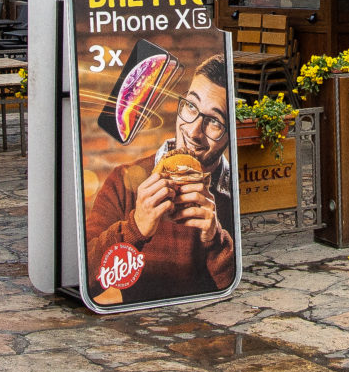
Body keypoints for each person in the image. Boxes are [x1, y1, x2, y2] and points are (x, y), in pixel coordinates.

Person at [85, 54, 239, 303]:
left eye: (214, 122)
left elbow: (239, 291)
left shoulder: (236, 192)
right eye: (191, 106)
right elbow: (87, 278)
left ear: (231, 131)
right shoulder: (124, 182)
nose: (192, 131)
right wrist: (134, 227)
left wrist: (215, 241)